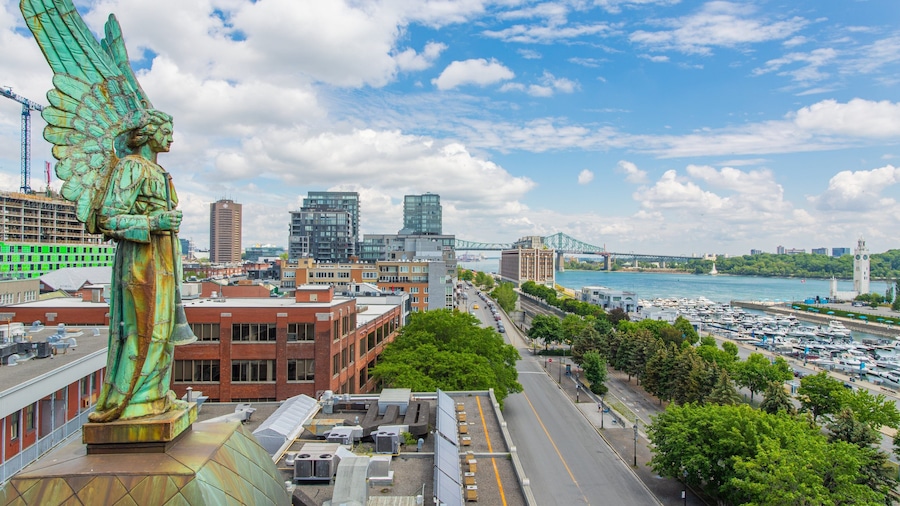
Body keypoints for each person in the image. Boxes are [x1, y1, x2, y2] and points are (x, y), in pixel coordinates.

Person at [88, 111, 186, 423]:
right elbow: (107, 218)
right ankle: (128, 400)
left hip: (164, 257)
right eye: (165, 130)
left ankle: (154, 395)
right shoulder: (131, 166)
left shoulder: (159, 171)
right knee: (141, 326)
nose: (170, 137)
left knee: (162, 329)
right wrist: (154, 221)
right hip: (141, 259)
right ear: (146, 133)